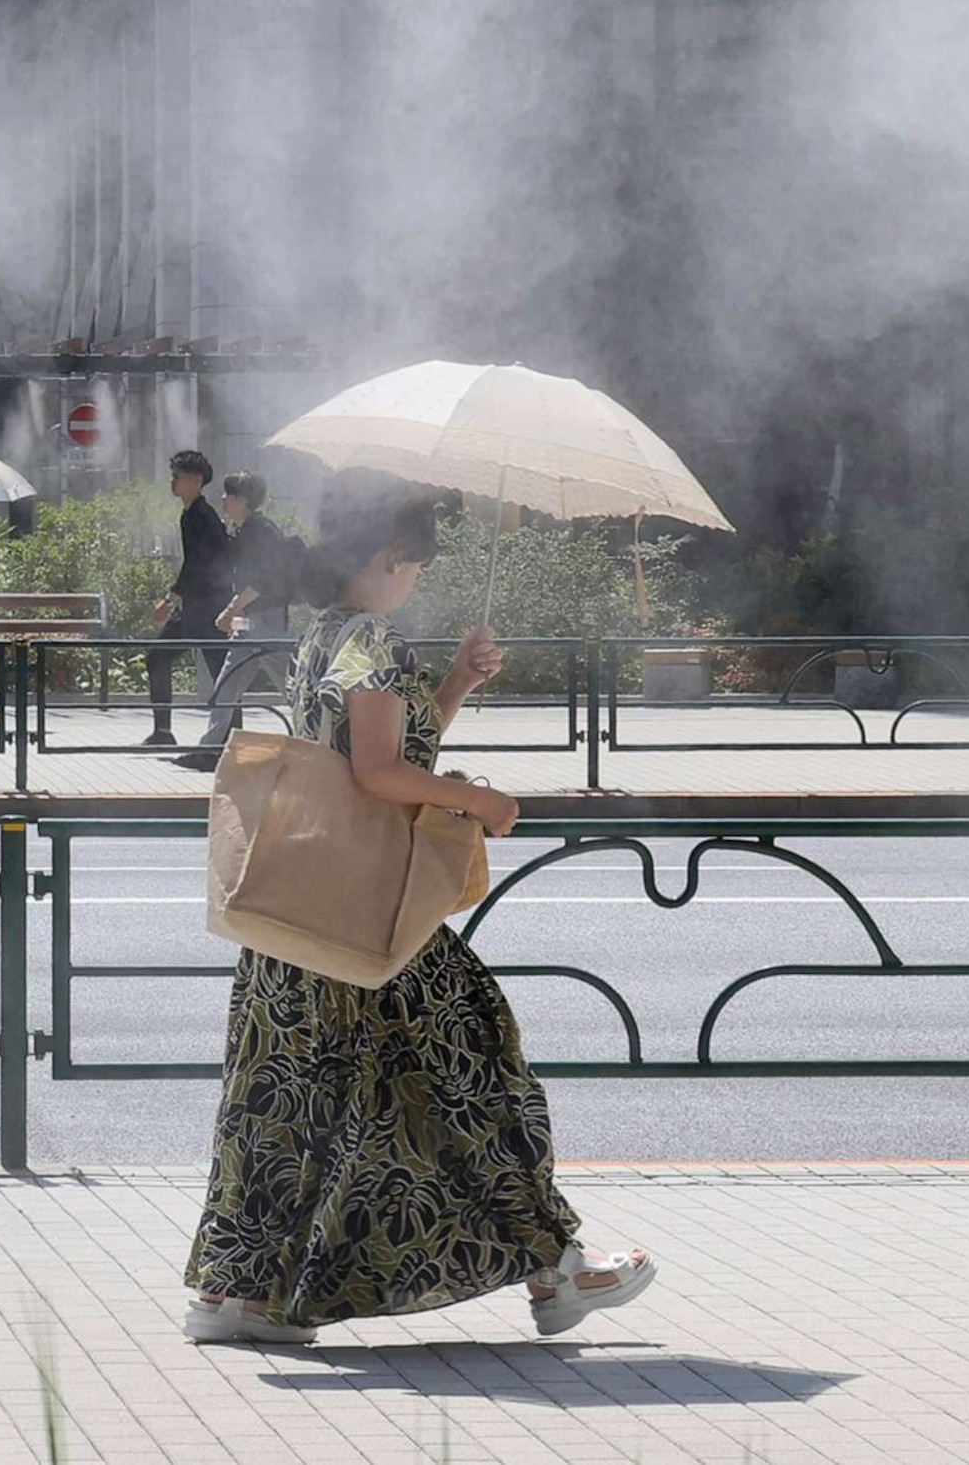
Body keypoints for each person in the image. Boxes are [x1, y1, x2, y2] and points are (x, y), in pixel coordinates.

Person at [183, 481, 656, 1347]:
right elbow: (377, 773)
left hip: (304, 916)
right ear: (388, 560)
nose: (414, 582)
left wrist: (456, 686)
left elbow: (379, 748)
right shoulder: (374, 641)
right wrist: (484, 804)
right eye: (413, 566)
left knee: (287, 1099)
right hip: (371, 922)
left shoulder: (323, 634)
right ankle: (558, 1269)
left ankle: (236, 1293)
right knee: (477, 1069)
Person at [180, 471, 308, 769]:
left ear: (243, 499)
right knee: (229, 680)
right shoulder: (247, 530)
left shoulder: (260, 532)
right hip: (252, 619)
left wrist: (231, 610)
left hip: (265, 618)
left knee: (287, 682)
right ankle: (210, 749)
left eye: (228, 494)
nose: (222, 499)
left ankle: (317, 735)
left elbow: (264, 580)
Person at [146, 449, 235, 749]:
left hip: (210, 608)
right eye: (173, 476)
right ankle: (163, 732)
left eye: (178, 477)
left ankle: (230, 742)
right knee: (160, 658)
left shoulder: (201, 516)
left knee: (224, 674)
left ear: (197, 481)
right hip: (200, 606)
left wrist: (170, 601)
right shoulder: (192, 513)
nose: (173, 482)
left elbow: (198, 564)